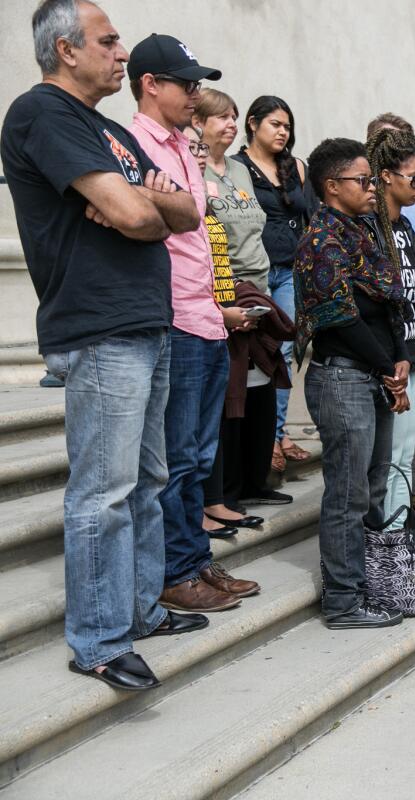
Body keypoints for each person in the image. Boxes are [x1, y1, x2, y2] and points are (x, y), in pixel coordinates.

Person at [2, 0, 205, 690]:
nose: (123, 53)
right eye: (109, 40)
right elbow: (132, 211)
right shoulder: (42, 114)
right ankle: (97, 639)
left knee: (148, 480)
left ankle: (142, 610)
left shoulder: (112, 130)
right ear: (66, 49)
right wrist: (142, 210)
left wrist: (146, 209)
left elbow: (186, 211)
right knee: (104, 491)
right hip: (99, 328)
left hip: (148, 321)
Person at [126, 33, 261, 613]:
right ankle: (176, 569)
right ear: (150, 85)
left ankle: (195, 559)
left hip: (207, 315)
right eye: (186, 83)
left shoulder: (184, 145)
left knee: (200, 456)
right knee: (177, 457)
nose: (195, 93)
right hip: (174, 318)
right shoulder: (131, 142)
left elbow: (198, 228)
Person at [295, 137, 412, 629]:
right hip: (343, 379)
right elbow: (339, 319)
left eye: (371, 179)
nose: (371, 188)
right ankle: (343, 600)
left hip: (377, 373)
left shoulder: (365, 232)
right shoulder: (320, 239)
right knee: (347, 495)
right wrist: (389, 364)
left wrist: (401, 356)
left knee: (374, 484)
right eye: (361, 181)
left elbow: (392, 303)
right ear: (331, 186)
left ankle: (369, 582)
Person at [194, 89, 292, 518]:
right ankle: (225, 492)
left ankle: (255, 481)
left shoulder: (237, 168)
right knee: (232, 393)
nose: (231, 124)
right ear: (199, 121)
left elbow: (254, 225)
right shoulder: (194, 170)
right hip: (225, 288)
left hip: (260, 286)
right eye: (222, 117)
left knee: (262, 385)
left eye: (234, 116)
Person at [233, 95, 313, 471]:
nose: (283, 131)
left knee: (282, 352)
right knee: (257, 355)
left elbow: (310, 217)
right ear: (252, 123)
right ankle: (261, 438)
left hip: (291, 270)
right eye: (275, 124)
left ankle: (276, 434)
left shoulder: (295, 167)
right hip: (255, 273)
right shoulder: (236, 169)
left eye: (287, 126)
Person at [367, 112, 415, 511]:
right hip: (387, 359)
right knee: (385, 458)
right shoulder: (368, 229)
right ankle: (383, 543)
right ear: (387, 176)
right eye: (414, 179)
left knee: (405, 455)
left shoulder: (407, 229)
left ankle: (399, 540)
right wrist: (390, 359)